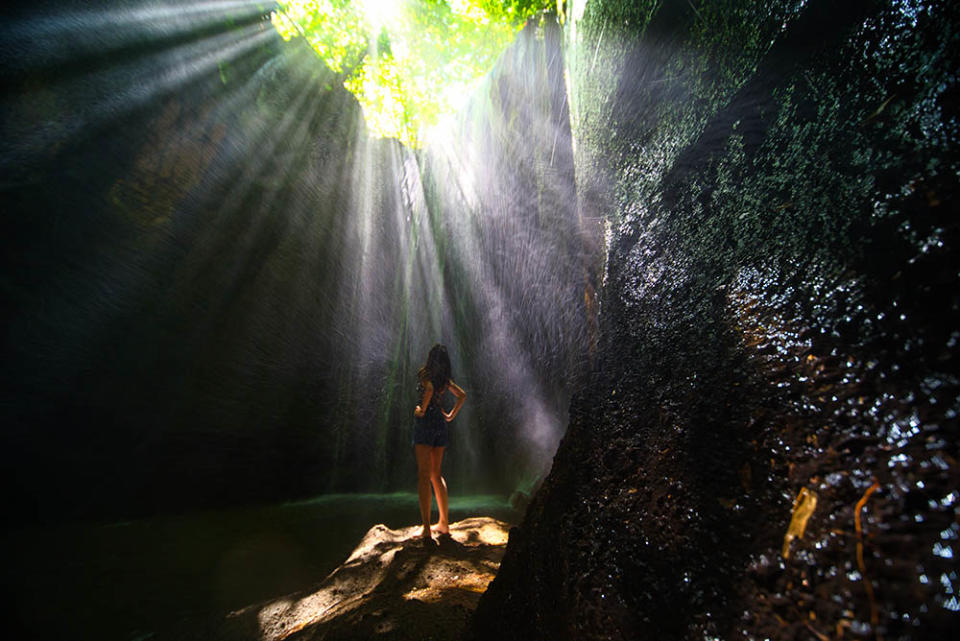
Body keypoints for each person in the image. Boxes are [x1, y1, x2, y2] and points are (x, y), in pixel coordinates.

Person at [413, 344, 466, 541]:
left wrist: (422, 410)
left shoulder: (426, 375)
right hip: (440, 425)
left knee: (423, 475)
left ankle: (426, 528)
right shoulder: (445, 380)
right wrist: (451, 415)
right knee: (436, 474)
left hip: (425, 424)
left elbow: (428, 389)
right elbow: (462, 395)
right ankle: (444, 523)